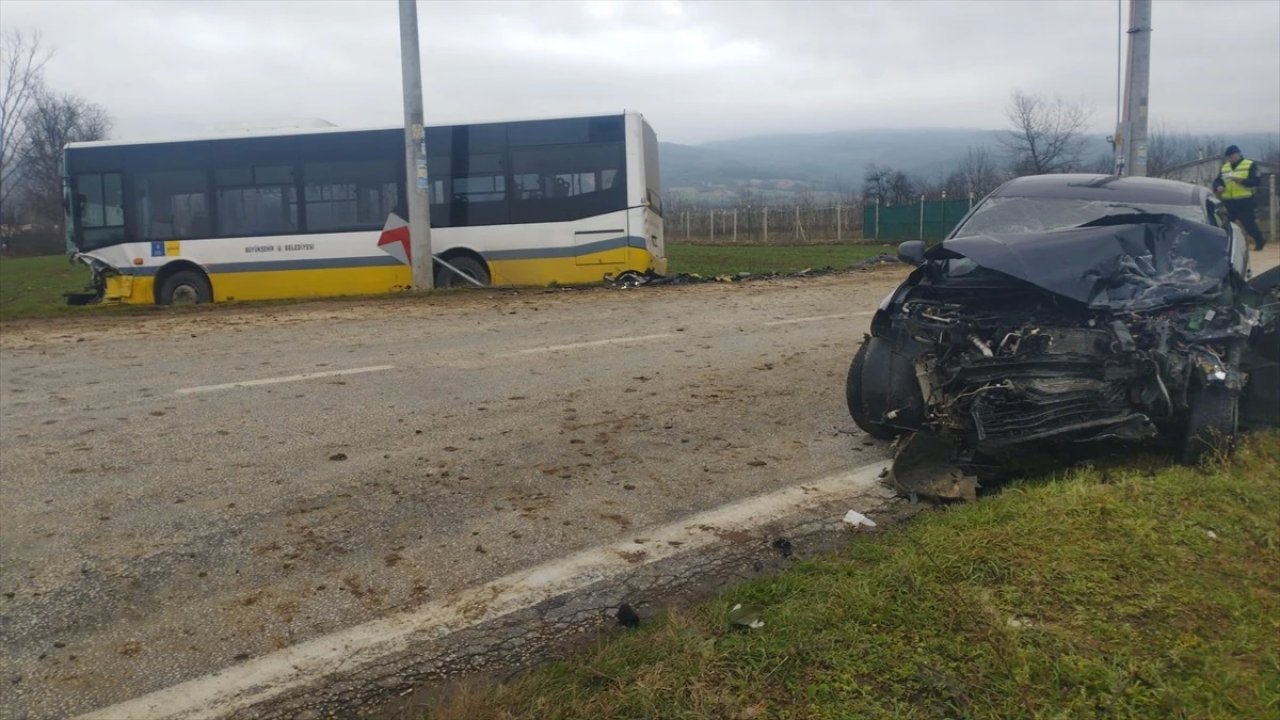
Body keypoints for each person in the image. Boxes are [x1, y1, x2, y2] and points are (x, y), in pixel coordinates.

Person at [1212, 145, 1265, 251]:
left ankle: (1260, 241)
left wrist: (1240, 181)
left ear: (1239, 154)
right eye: (1229, 157)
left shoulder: (1249, 165)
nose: (1231, 158)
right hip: (1229, 202)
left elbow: (1256, 181)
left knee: (1249, 225)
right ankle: (1227, 247)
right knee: (1225, 226)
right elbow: (1217, 180)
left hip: (1245, 201)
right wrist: (1218, 186)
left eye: (1233, 156)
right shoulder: (1225, 167)